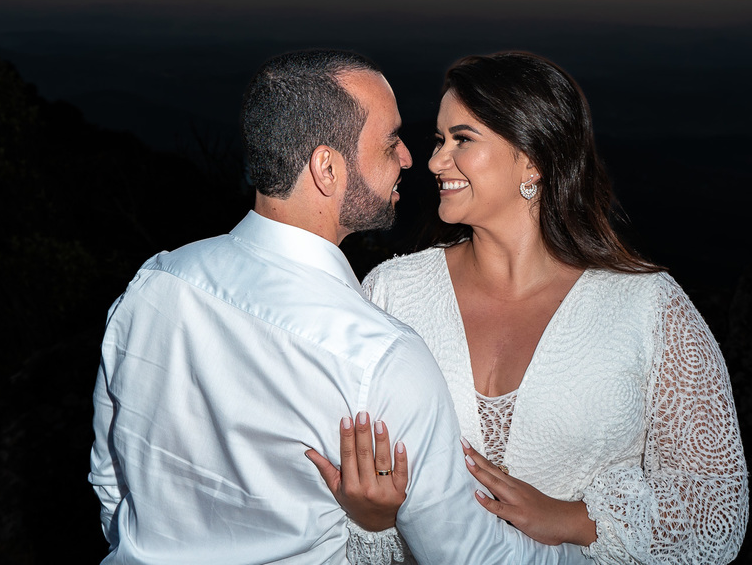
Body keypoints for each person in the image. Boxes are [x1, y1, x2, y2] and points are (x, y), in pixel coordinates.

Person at [88, 50, 592, 565]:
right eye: (390, 142)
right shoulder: (381, 357)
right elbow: (467, 553)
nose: (408, 159)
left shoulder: (154, 285)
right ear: (327, 168)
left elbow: (112, 484)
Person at [320, 52, 748, 565]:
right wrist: (372, 521)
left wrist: (572, 519)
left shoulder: (647, 308)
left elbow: (715, 515)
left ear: (532, 159)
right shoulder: (392, 292)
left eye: (462, 139)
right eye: (439, 140)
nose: (434, 161)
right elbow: (340, 478)